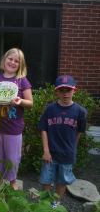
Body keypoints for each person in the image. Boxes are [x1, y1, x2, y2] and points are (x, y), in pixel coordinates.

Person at [0, 48, 33, 190]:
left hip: (13, 130)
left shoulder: (22, 81)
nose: (12, 62)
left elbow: (30, 103)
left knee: (12, 162)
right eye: (10, 59)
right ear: (4, 60)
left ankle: (13, 188)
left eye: (16, 61)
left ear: (20, 65)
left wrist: (20, 101)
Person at [37, 75, 87, 209]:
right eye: (62, 90)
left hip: (67, 153)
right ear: (56, 91)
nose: (65, 94)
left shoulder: (80, 112)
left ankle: (56, 203)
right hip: (51, 153)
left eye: (68, 90)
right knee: (46, 179)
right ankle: (45, 202)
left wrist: (72, 147)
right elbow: (43, 129)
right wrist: (46, 151)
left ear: (75, 90)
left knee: (63, 179)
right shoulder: (50, 109)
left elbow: (78, 132)